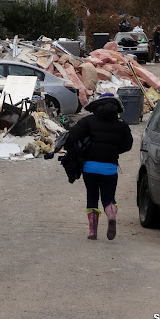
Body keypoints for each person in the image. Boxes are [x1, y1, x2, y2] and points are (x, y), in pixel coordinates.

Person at [66, 93, 133, 240]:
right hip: (110, 168)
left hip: (90, 167)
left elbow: (72, 136)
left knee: (92, 196)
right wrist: (114, 151)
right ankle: (111, 216)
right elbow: (128, 145)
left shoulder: (88, 121)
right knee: (108, 197)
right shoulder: (121, 124)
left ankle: (93, 232)